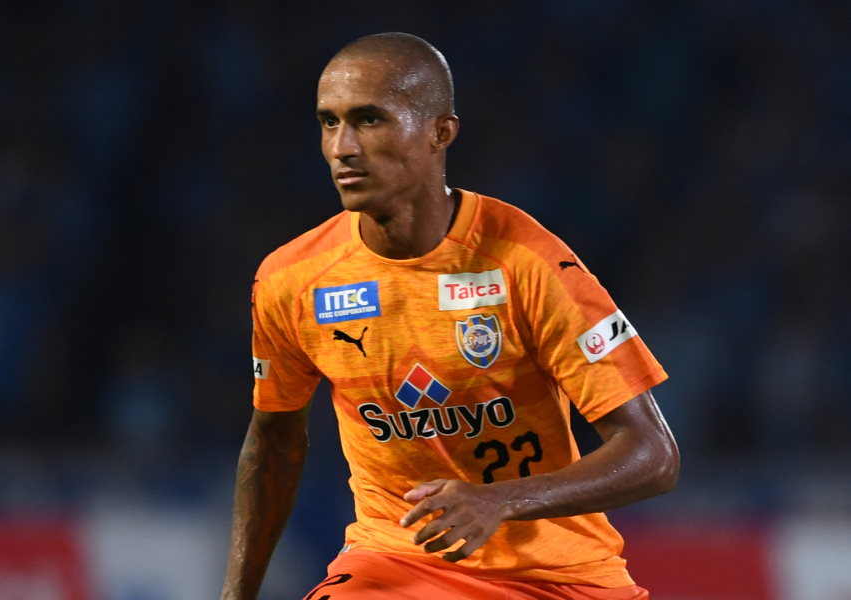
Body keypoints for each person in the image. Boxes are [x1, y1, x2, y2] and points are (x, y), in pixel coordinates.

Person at [220, 32, 679, 600]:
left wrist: (499, 500)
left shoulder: (526, 261)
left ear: (441, 132)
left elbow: (653, 455)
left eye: (368, 120)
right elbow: (274, 442)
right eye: (329, 122)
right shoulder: (292, 279)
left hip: (556, 580)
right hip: (397, 563)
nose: (343, 147)